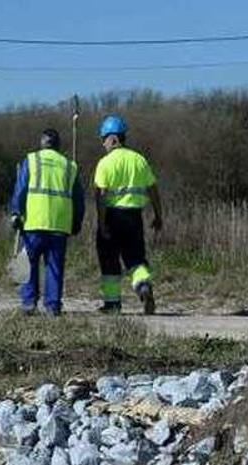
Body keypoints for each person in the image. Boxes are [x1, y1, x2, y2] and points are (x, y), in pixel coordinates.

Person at [8, 128, 84, 316]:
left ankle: (28, 303)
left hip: (34, 222)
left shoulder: (31, 160)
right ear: (58, 145)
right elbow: (78, 199)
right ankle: (53, 306)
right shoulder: (70, 166)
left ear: (42, 142)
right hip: (59, 224)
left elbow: (21, 188)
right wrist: (76, 222)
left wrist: (16, 213)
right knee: (55, 266)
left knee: (28, 263)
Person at [93, 114, 163, 315]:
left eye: (103, 139)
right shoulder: (139, 160)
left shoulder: (105, 163)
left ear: (111, 138)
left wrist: (102, 222)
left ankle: (113, 304)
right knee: (136, 259)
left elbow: (101, 195)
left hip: (112, 217)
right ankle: (143, 286)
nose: (103, 144)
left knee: (109, 261)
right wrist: (158, 216)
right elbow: (153, 190)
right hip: (134, 218)